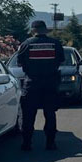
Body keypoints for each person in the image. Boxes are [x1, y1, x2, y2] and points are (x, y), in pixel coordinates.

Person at [14, 20, 66, 151]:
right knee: (50, 114)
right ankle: (50, 143)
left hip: (31, 84)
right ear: (45, 29)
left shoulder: (26, 44)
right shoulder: (55, 44)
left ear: (33, 30)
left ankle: (26, 144)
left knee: (28, 115)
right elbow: (61, 61)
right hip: (50, 84)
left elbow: (20, 63)